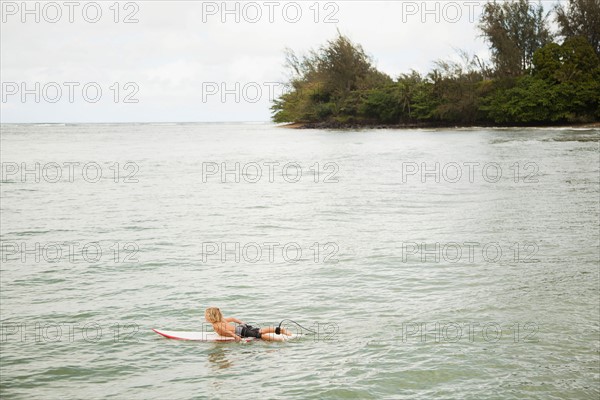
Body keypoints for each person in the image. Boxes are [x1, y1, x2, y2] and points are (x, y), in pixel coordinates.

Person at [204, 307, 292, 342]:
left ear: (211, 317)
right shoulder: (222, 320)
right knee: (260, 330)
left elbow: (225, 330)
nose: (205, 318)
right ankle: (281, 330)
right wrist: (241, 323)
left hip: (240, 332)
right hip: (242, 327)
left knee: (260, 335)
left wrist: (235, 336)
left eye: (206, 316)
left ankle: (279, 340)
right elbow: (232, 318)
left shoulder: (215, 325)